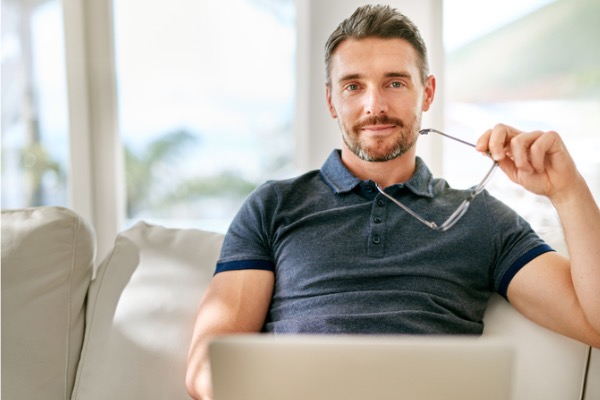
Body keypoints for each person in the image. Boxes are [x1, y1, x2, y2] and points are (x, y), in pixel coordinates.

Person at [186, 4, 600, 399]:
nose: (375, 106)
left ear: (427, 93)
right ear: (331, 100)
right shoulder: (273, 206)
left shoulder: (481, 218)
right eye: (353, 86)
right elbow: (208, 369)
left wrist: (567, 191)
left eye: (395, 82)